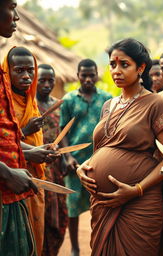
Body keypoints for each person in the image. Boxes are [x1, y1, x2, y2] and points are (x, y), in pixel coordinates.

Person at [76, 38, 163, 256]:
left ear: (141, 68)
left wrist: (136, 190)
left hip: (141, 203)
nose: (116, 71)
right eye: (112, 64)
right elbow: (104, 149)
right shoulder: (108, 106)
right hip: (103, 204)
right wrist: (84, 167)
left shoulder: (156, 104)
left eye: (124, 64)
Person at [0, 1, 55, 255]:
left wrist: (31, 153)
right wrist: (8, 172)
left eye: (29, 71)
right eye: (12, 6)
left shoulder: (30, 101)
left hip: (16, 187)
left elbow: (5, 138)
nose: (17, 16)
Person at [60, 58, 112, 256]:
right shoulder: (68, 100)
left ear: (97, 75)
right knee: (72, 208)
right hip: (74, 164)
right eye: (84, 75)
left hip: (99, 162)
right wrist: (67, 158)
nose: (88, 79)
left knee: (98, 206)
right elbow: (63, 131)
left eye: (92, 75)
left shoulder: (106, 99)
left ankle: (97, 243)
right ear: (78, 76)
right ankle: (74, 247)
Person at [36, 64, 68, 256]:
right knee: (43, 213)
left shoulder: (58, 105)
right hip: (36, 165)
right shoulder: (29, 106)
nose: (47, 84)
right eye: (42, 80)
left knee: (60, 214)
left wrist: (64, 157)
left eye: (50, 81)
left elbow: (62, 132)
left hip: (56, 166)